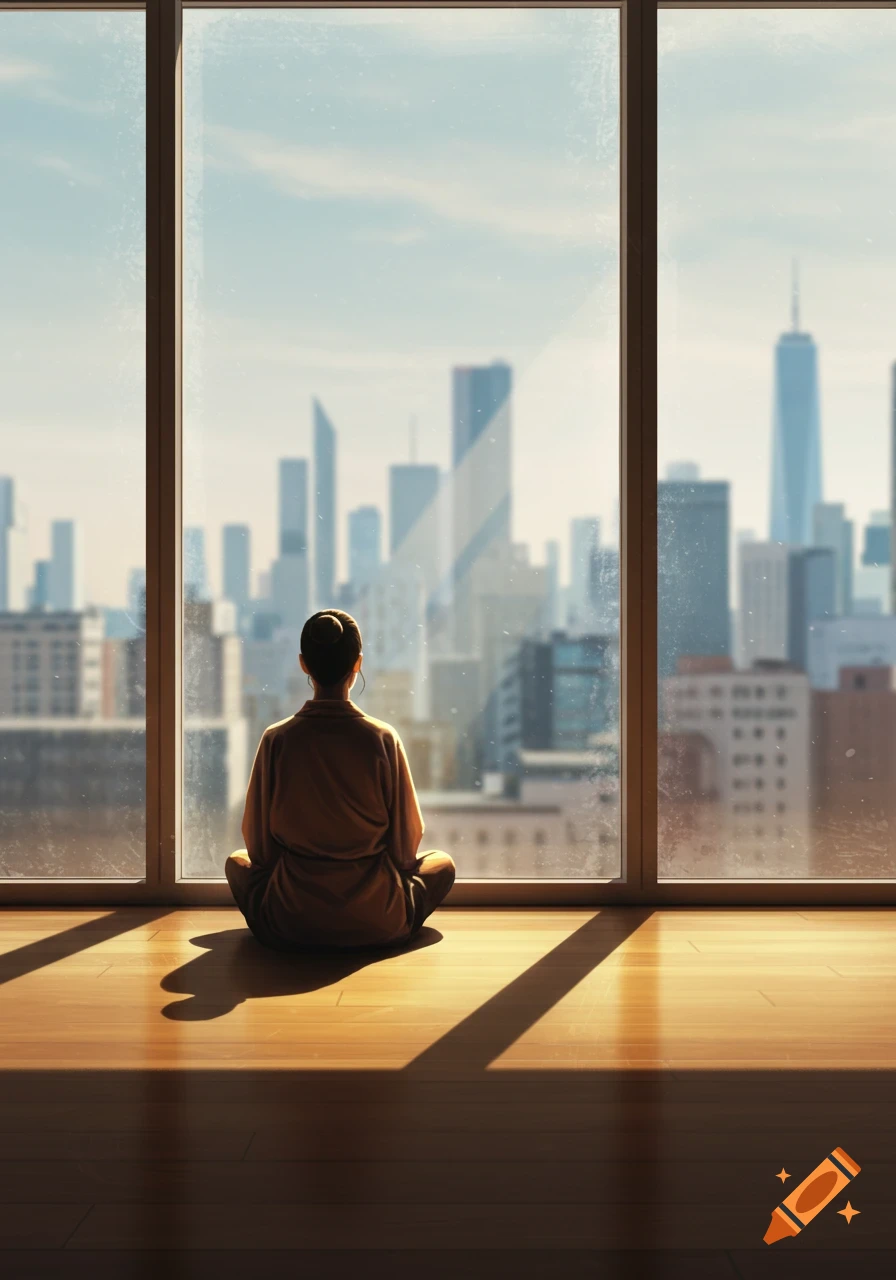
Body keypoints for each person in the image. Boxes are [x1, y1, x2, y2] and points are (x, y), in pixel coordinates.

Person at [225, 609, 455, 950]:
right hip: (378, 918)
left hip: (290, 920)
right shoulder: (382, 738)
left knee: (236, 861)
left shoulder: (277, 739)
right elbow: (408, 847)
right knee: (442, 865)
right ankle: (383, 922)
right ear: (357, 663)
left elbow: (257, 847)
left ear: (304, 664)